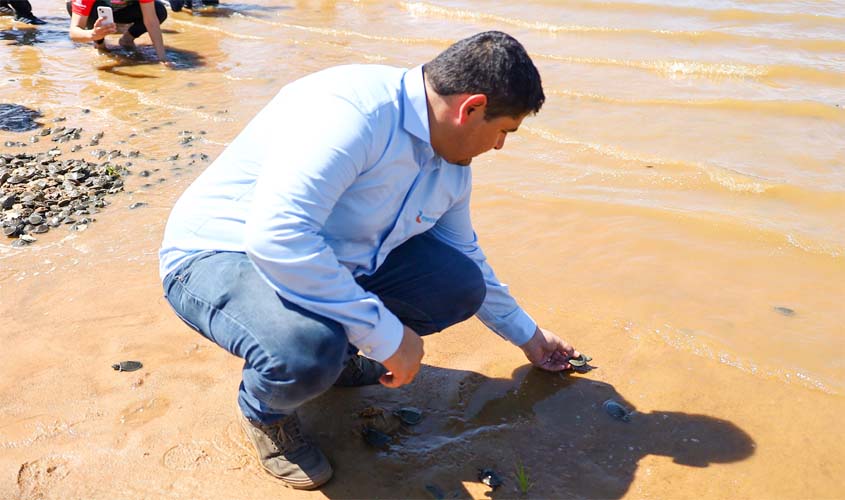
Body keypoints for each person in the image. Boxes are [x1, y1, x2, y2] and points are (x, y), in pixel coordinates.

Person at [159, 31, 580, 490]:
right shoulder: (354, 113)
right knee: (306, 349)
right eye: (504, 131)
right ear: (471, 108)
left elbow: (467, 257)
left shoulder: (450, 164)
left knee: (459, 284)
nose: (499, 146)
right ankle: (265, 411)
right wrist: (383, 333)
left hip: (326, 258)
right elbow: (278, 238)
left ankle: (337, 357)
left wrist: (530, 337)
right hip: (220, 252)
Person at [67, 0, 169, 64]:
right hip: (94, 11)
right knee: (100, 44)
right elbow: (74, 32)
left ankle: (127, 39)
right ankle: (100, 44)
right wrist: (93, 34)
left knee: (159, 11)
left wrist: (162, 58)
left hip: (124, 11)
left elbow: (151, 21)